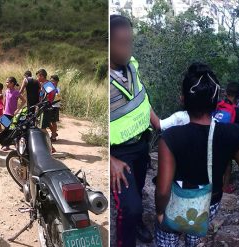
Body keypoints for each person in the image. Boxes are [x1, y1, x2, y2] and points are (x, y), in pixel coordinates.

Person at [155, 62, 239, 247]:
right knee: (194, 241)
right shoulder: (234, 134)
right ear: (216, 101)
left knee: (167, 242)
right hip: (207, 204)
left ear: (183, 99)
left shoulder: (170, 137)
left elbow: (162, 191)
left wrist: (160, 212)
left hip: (172, 204)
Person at [110, 15, 161, 247]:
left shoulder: (132, 65)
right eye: (122, 44)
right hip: (118, 154)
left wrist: (158, 123)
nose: (128, 49)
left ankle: (138, 221)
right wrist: (109, 160)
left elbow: (141, 99)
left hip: (141, 144)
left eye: (130, 42)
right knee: (128, 208)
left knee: (138, 191)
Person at [213, 82, 239, 194]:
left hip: (211, 140)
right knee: (228, 162)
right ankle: (225, 187)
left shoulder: (217, 105)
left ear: (226, 93)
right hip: (226, 145)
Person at [2, 77, 25, 151]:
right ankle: (6, 145)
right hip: (5, 113)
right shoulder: (6, 91)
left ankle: (14, 144)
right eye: (6, 82)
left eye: (8, 82)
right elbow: (4, 102)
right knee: (6, 129)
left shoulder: (16, 92)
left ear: (12, 83)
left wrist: (18, 109)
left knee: (12, 129)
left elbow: (24, 101)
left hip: (12, 114)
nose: (6, 84)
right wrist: (2, 110)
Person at [50, 75, 61, 141]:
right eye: (51, 81)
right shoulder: (51, 88)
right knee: (47, 121)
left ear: (57, 81)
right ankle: (54, 132)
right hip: (50, 106)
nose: (51, 82)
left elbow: (58, 98)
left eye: (53, 81)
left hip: (55, 107)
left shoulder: (57, 89)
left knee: (53, 122)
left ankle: (53, 136)